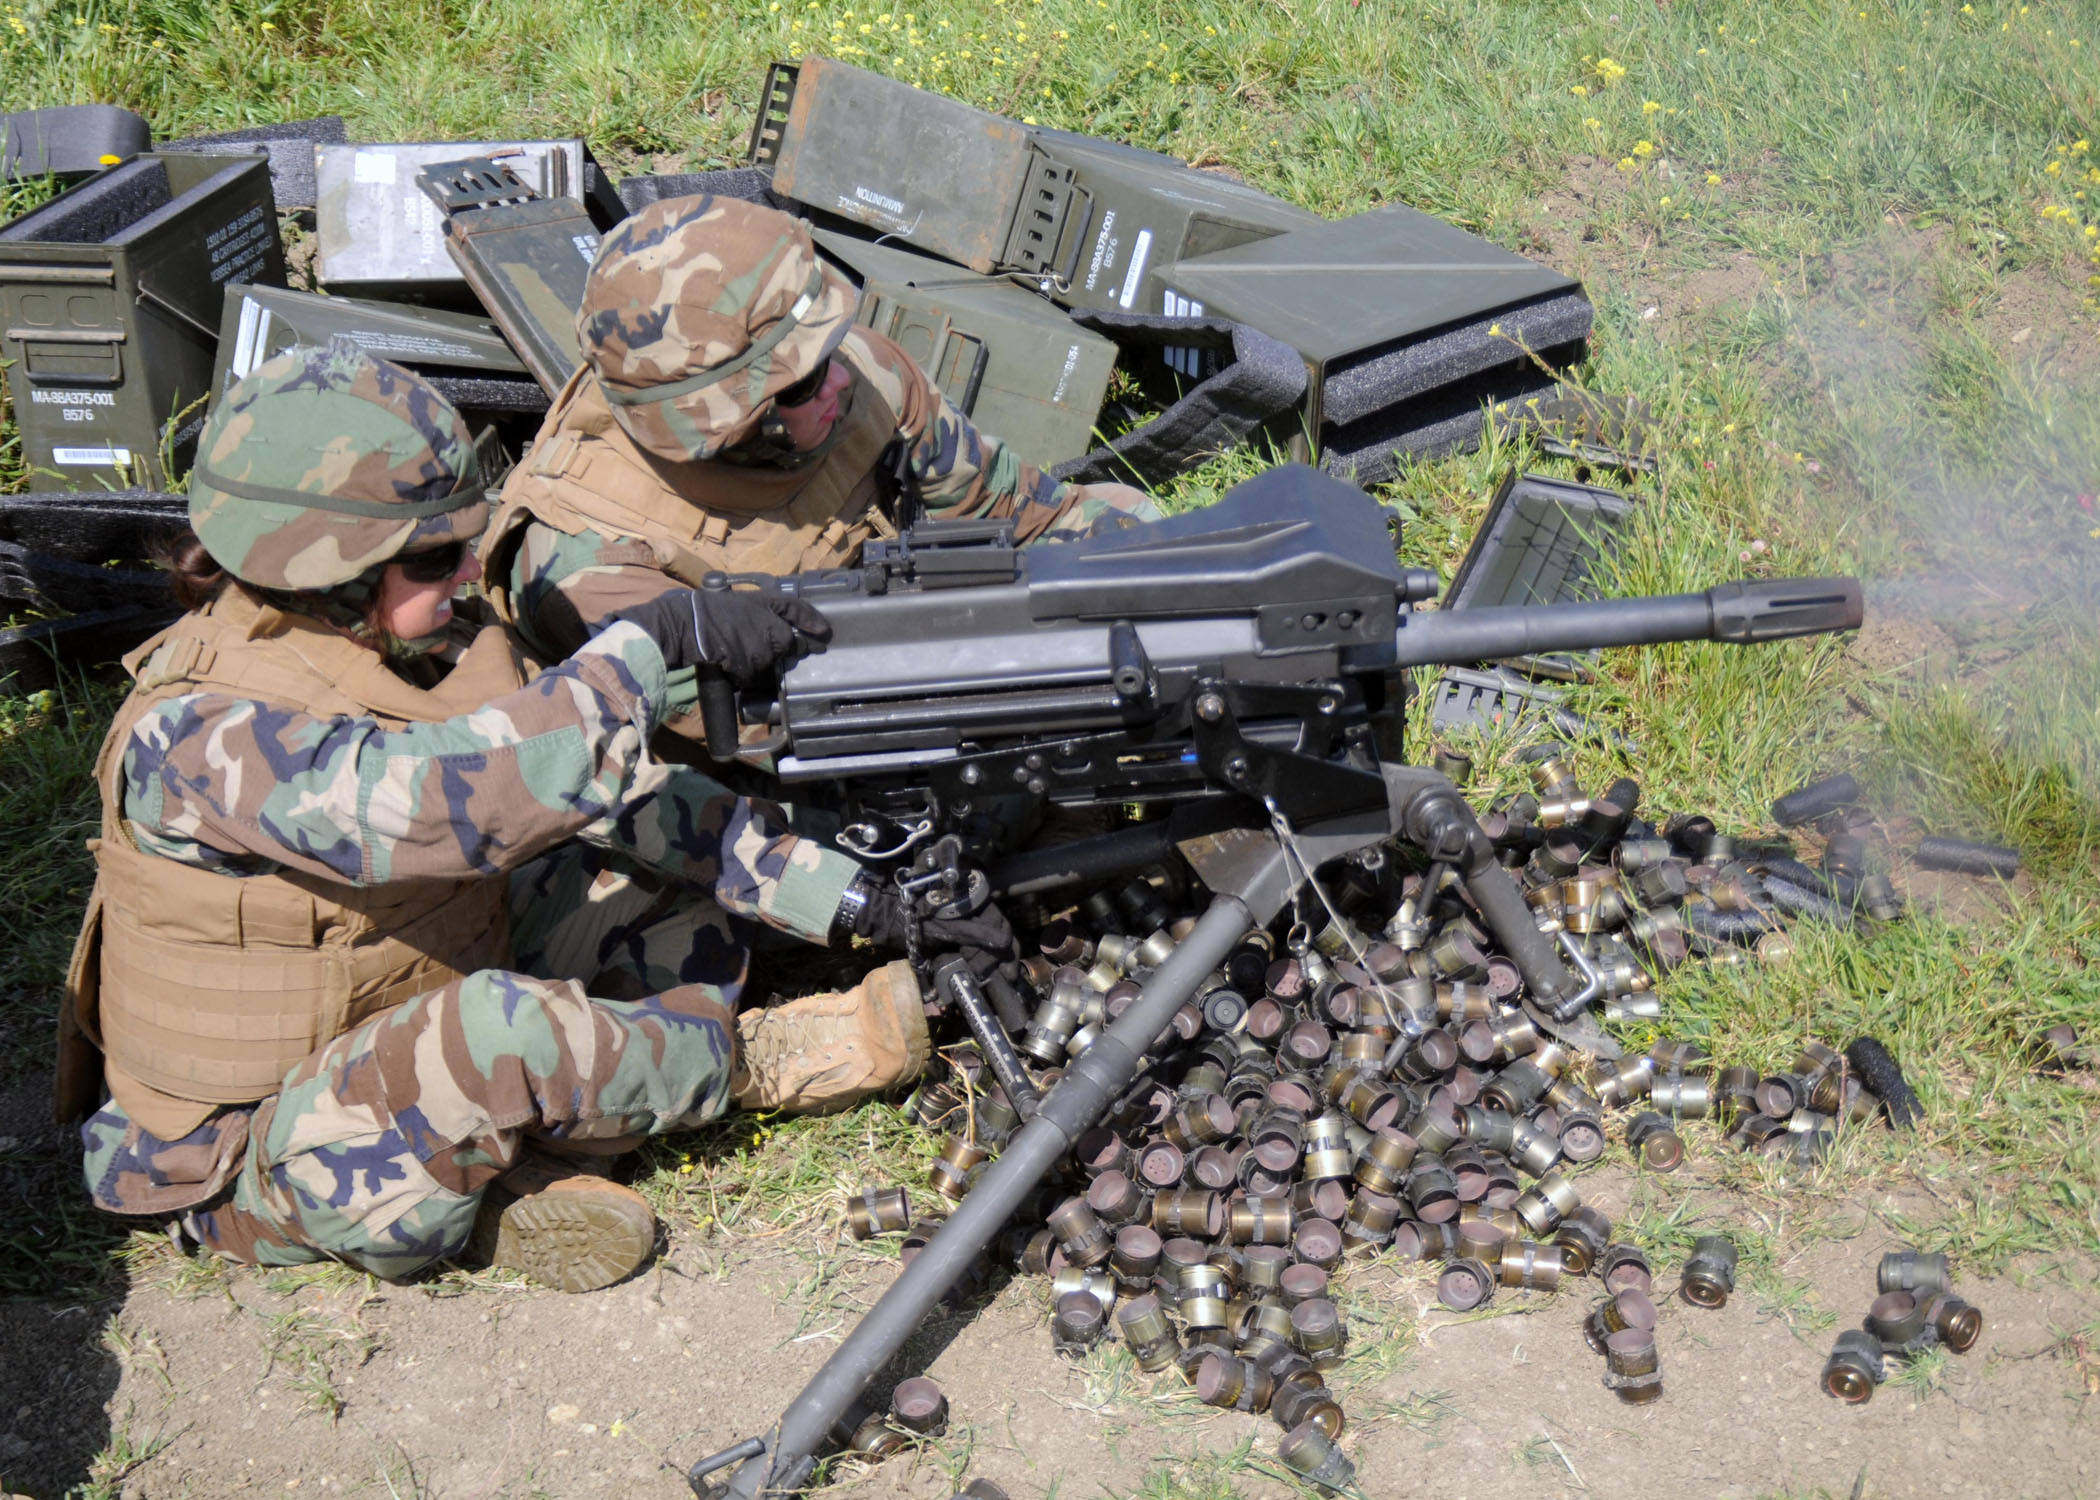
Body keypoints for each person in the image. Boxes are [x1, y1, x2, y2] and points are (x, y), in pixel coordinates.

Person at [57, 342, 1005, 1292]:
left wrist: (853, 898)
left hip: (393, 1006)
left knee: (664, 908)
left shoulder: (417, 643)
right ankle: (739, 1069)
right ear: (326, 575)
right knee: (499, 1035)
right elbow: (459, 804)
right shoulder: (199, 733)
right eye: (434, 556)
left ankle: (510, 1150)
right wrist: (657, 642)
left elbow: (613, 795)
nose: (472, 569)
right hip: (251, 1143)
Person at [482, 193, 1162, 689]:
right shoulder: (586, 567)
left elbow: (1023, 518)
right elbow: (757, 744)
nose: (843, 377)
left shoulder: (860, 379)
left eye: (827, 347)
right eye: (802, 381)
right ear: (726, 427)